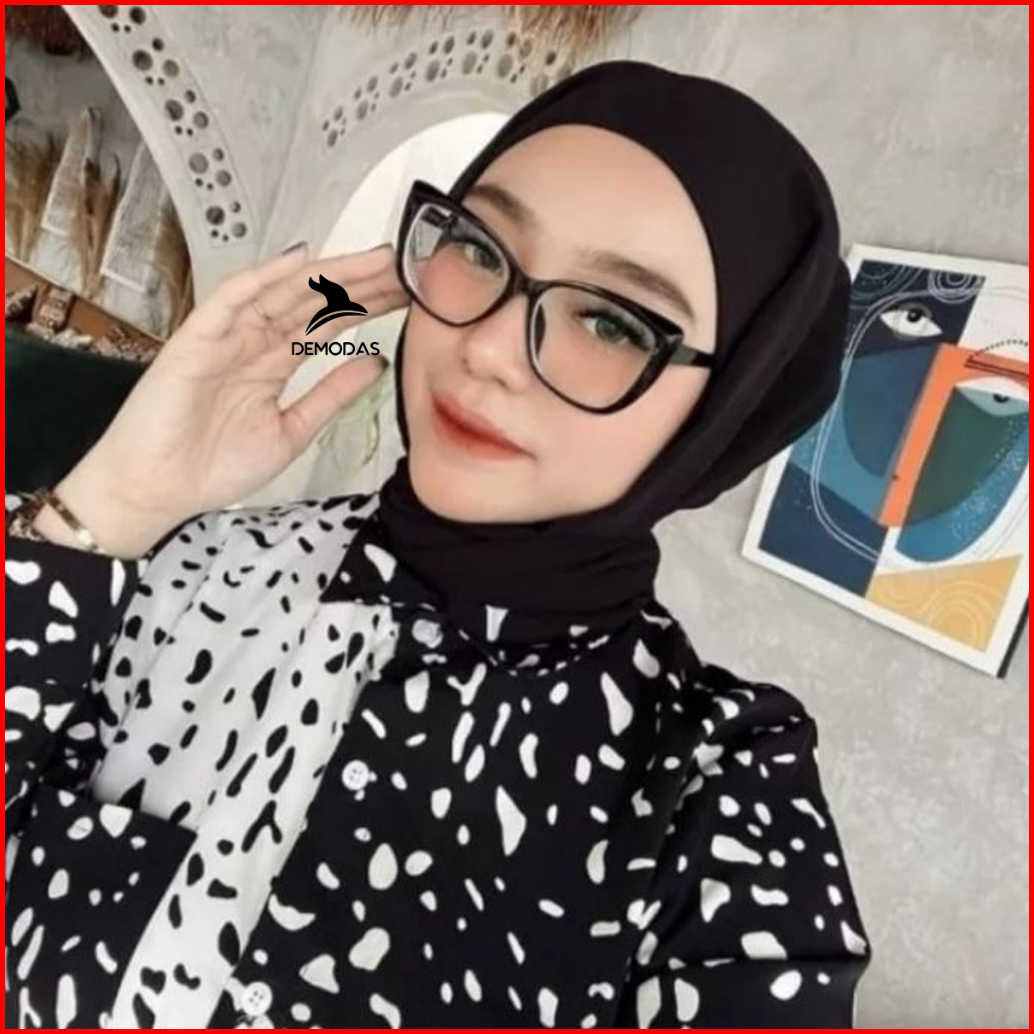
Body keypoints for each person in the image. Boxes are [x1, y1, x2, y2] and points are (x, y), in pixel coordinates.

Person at [5, 61, 871, 1029]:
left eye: (611, 321)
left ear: (725, 410)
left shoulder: (712, 789)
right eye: (477, 245)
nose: (487, 347)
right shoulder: (201, 562)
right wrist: (117, 498)